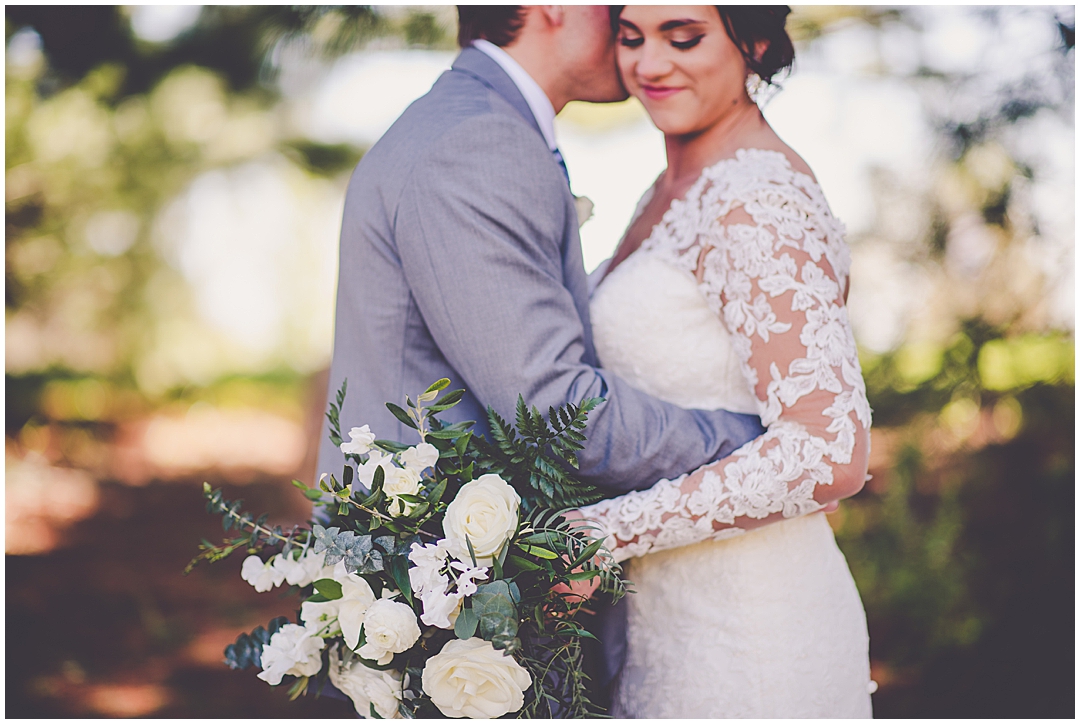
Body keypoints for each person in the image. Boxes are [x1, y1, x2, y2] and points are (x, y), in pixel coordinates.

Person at [315, 5, 765, 708]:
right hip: (451, 625)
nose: (626, 15)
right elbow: (557, 407)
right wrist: (753, 442)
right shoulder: (477, 141)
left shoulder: (471, 124)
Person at [571, 5, 875, 717]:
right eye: (631, 37)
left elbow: (830, 449)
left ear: (757, 40)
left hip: (751, 638)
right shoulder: (674, 185)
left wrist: (604, 535)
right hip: (665, 625)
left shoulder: (756, 198)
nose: (649, 65)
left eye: (683, 37)